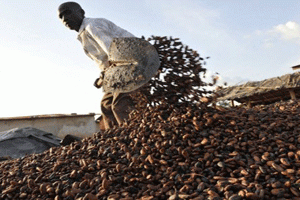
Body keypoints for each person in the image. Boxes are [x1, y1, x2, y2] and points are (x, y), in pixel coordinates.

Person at [58, 2, 143, 130]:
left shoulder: (93, 26)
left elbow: (115, 52)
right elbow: (106, 60)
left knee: (120, 105)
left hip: (132, 63)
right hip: (116, 70)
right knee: (106, 106)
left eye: (68, 13)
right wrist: (102, 77)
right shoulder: (83, 34)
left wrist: (106, 75)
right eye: (61, 16)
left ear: (81, 12)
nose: (65, 19)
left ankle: (135, 135)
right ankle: (115, 139)